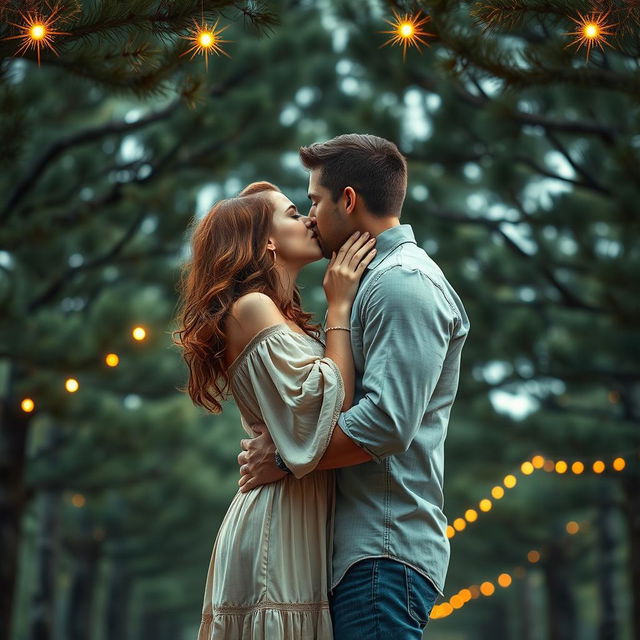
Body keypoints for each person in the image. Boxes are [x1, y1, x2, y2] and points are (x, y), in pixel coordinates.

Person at [237, 133, 471, 638]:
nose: (311, 216)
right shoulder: (367, 282)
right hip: (359, 555)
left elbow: (386, 424)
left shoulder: (401, 282)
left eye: (316, 201)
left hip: (383, 550)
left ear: (348, 200)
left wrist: (282, 459)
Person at [172, 178, 377, 639]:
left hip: (295, 506)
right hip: (275, 524)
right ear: (265, 240)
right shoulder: (253, 307)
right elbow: (331, 403)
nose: (306, 218)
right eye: (290, 213)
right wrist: (340, 307)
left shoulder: (278, 311)